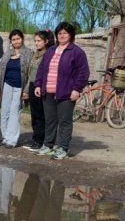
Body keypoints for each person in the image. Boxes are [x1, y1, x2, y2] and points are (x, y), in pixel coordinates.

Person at [34, 22, 90, 160]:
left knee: (64, 121)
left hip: (66, 93)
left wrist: (76, 89)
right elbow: (42, 69)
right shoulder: (51, 51)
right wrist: (38, 85)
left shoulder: (76, 52)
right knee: (50, 120)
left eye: (65, 33)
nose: (62, 35)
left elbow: (83, 73)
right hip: (48, 92)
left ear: (70, 35)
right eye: (59, 33)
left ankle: (63, 148)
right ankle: (48, 145)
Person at [0, 29, 34, 148]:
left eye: (18, 39)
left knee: (15, 112)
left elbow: (31, 74)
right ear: (10, 41)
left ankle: (12, 140)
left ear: (22, 39)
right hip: (7, 85)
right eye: (13, 39)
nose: (16, 41)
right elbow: (0, 71)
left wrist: (26, 90)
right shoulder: (7, 53)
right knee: (5, 111)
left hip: (20, 87)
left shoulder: (29, 53)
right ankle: (5, 137)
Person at [23, 31, 55, 152]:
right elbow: (30, 74)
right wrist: (26, 89)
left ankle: (42, 141)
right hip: (33, 85)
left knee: (42, 115)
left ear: (46, 41)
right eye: (35, 41)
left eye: (39, 41)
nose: (36, 43)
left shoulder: (49, 54)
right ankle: (36, 138)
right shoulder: (36, 54)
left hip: (42, 86)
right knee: (35, 114)